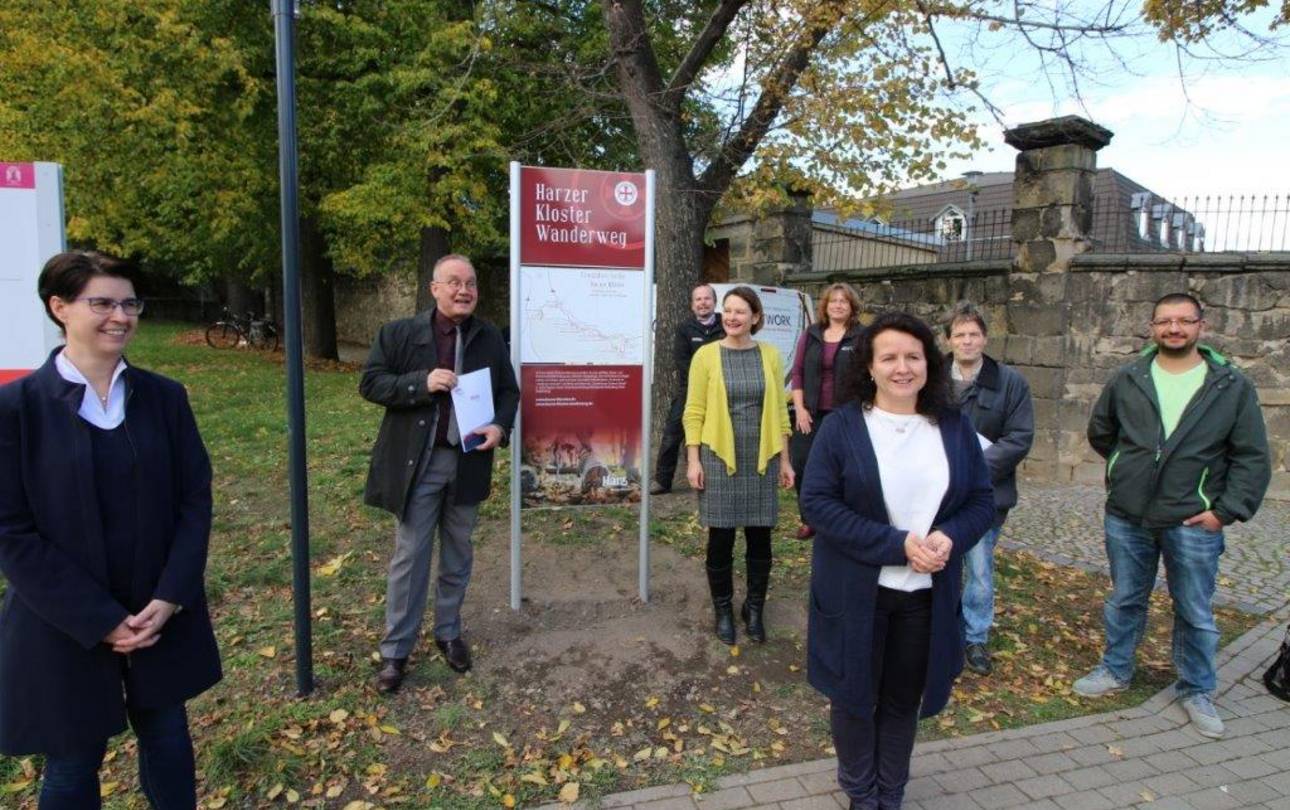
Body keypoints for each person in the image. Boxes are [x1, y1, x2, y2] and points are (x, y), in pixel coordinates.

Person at [0, 251, 222, 809]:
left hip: (156, 606)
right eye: (101, 302)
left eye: (129, 303)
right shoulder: (17, 409)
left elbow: (194, 500)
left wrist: (171, 595)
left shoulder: (165, 399)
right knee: (73, 759)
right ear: (59, 307)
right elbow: (11, 531)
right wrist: (97, 619)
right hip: (66, 616)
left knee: (167, 736)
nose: (119, 316)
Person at [800, 312, 994, 810]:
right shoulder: (842, 427)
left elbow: (980, 502)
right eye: (889, 357)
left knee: (903, 700)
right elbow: (817, 504)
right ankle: (863, 795)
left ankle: (892, 793)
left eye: (914, 356)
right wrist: (898, 544)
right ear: (869, 366)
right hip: (856, 593)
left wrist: (950, 537)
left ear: (930, 363)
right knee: (853, 698)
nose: (902, 367)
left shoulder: (953, 427)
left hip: (924, 598)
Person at [1075, 292, 1270, 739]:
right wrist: (1127, 471)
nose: (1174, 329)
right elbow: (1102, 431)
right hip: (1128, 515)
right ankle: (1116, 669)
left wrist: (1225, 512)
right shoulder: (1129, 377)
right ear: (1152, 327)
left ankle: (1197, 688)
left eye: (1184, 321)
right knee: (1125, 598)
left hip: (1192, 521)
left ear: (1202, 325)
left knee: (1196, 610)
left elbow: (1252, 456)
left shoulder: (1230, 384)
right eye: (1165, 321)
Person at [361, 254, 519, 689]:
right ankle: (396, 652)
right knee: (410, 556)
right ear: (434, 288)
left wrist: (500, 426)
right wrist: (419, 383)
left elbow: (508, 391)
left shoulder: (489, 337)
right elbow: (370, 382)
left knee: (458, 553)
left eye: (469, 283)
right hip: (420, 464)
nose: (463, 290)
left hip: (468, 462)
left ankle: (448, 632)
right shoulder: (399, 334)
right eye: (453, 282)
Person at [683, 286, 793, 645]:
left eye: (740, 311)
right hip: (719, 459)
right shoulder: (705, 356)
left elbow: (779, 411)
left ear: (756, 317)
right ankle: (724, 609)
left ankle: (755, 609)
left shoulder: (771, 356)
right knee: (721, 537)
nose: (731, 317)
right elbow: (694, 411)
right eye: (726, 310)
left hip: (761, 458)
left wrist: (786, 461)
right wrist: (694, 460)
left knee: (760, 536)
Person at [943, 302, 1033, 676]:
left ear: (985, 338)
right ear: (948, 339)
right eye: (959, 334)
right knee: (942, 567)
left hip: (986, 494)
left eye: (974, 334)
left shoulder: (1010, 381)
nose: (967, 341)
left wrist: (975, 468)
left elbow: (1020, 437)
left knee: (979, 569)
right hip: (940, 494)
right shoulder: (931, 377)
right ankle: (943, 631)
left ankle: (975, 636)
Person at [789, 282, 864, 539]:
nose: (838, 305)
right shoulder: (811, 334)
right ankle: (809, 518)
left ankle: (838, 517)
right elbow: (797, 372)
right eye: (833, 301)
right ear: (826, 305)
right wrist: (799, 408)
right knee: (802, 463)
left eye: (843, 301)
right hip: (810, 413)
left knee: (841, 468)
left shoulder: (862, 336)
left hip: (846, 415)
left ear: (851, 306)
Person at [651, 283, 724, 495]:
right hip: (690, 390)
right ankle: (663, 481)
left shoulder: (725, 325)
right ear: (692, 305)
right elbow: (682, 361)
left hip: (721, 390)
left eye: (707, 299)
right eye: (698, 300)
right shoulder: (684, 329)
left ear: (714, 302)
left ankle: (716, 477)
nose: (703, 303)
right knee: (672, 434)